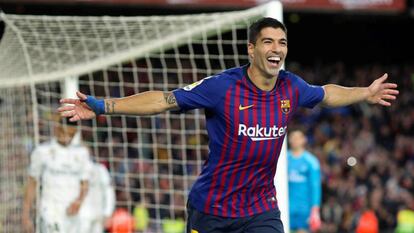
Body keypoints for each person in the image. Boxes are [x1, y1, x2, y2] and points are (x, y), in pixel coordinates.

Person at [58, 17, 398, 233]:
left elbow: (326, 94)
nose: (276, 49)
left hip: (260, 209)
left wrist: (364, 93)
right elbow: (164, 100)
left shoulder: (291, 86)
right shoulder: (221, 87)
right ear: (251, 49)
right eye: (268, 42)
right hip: (212, 210)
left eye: (282, 43)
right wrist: (104, 106)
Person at [22, 116, 92, 233]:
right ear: (56, 128)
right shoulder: (42, 152)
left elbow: (85, 183)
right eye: (64, 131)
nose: (66, 137)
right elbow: (32, 183)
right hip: (50, 210)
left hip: (72, 211)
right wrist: (25, 214)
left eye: (71, 134)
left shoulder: (82, 154)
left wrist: (79, 201)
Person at [287, 130, 321, 233]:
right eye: (292, 137)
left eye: (298, 138)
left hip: (304, 209)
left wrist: (315, 211)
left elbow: (315, 186)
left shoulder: (311, 161)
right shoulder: (283, 159)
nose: (295, 140)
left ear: (304, 140)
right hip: (286, 207)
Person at [79, 160, 116, 233]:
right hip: (91, 214)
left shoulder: (100, 169)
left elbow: (108, 192)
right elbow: (109, 192)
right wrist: (108, 212)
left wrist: (108, 213)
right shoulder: (101, 169)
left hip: (88, 214)